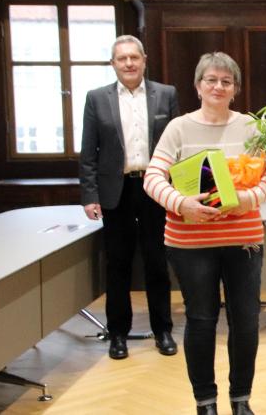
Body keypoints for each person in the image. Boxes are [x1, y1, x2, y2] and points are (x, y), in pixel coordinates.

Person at [144, 52, 266, 415]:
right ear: (198, 86)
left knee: (246, 321)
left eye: (226, 81)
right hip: (190, 242)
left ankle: (241, 400)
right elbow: (152, 178)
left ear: (235, 89)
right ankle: (205, 402)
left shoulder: (252, 127)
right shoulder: (178, 127)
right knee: (201, 320)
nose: (218, 86)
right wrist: (181, 203)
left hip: (243, 238)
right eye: (211, 80)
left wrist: (247, 197)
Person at [79, 35, 178, 360]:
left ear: (144, 60)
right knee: (118, 265)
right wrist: (89, 195)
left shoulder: (166, 94)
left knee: (156, 263)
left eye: (134, 57)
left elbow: (179, 145)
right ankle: (117, 334)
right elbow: (88, 152)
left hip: (155, 188)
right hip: (115, 191)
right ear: (113, 64)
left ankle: (163, 330)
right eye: (122, 59)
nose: (129, 64)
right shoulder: (96, 99)